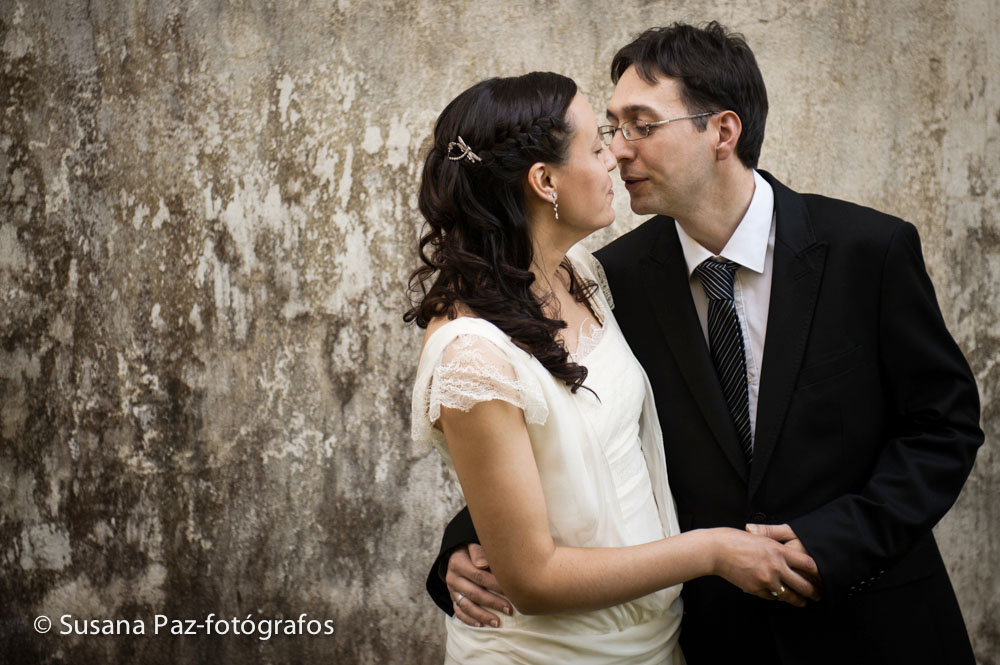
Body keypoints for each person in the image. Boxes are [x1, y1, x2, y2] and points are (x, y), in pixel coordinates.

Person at [430, 23, 984, 665]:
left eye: (641, 125)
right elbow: (581, 432)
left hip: (874, 620)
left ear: (722, 132)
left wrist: (831, 544)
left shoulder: (871, 251)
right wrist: (466, 548)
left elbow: (942, 427)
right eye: (611, 128)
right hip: (713, 637)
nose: (618, 150)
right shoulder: (613, 279)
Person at [407, 71, 821, 664]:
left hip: (657, 635)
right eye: (599, 144)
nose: (616, 158)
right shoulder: (471, 355)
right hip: (550, 651)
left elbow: (588, 454)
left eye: (636, 128)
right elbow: (533, 574)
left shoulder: (585, 274)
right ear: (544, 181)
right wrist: (712, 552)